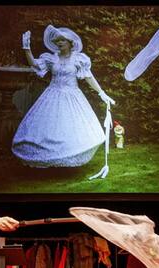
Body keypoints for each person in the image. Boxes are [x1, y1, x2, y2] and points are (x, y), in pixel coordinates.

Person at [13, 25, 116, 168]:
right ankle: (48, 157)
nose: (60, 43)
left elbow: (88, 77)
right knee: (48, 127)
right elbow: (35, 65)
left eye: (62, 40)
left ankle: (69, 156)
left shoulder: (79, 59)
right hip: (52, 95)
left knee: (71, 128)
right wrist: (26, 48)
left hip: (72, 96)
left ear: (70, 42)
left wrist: (102, 93)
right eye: (58, 41)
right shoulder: (51, 59)